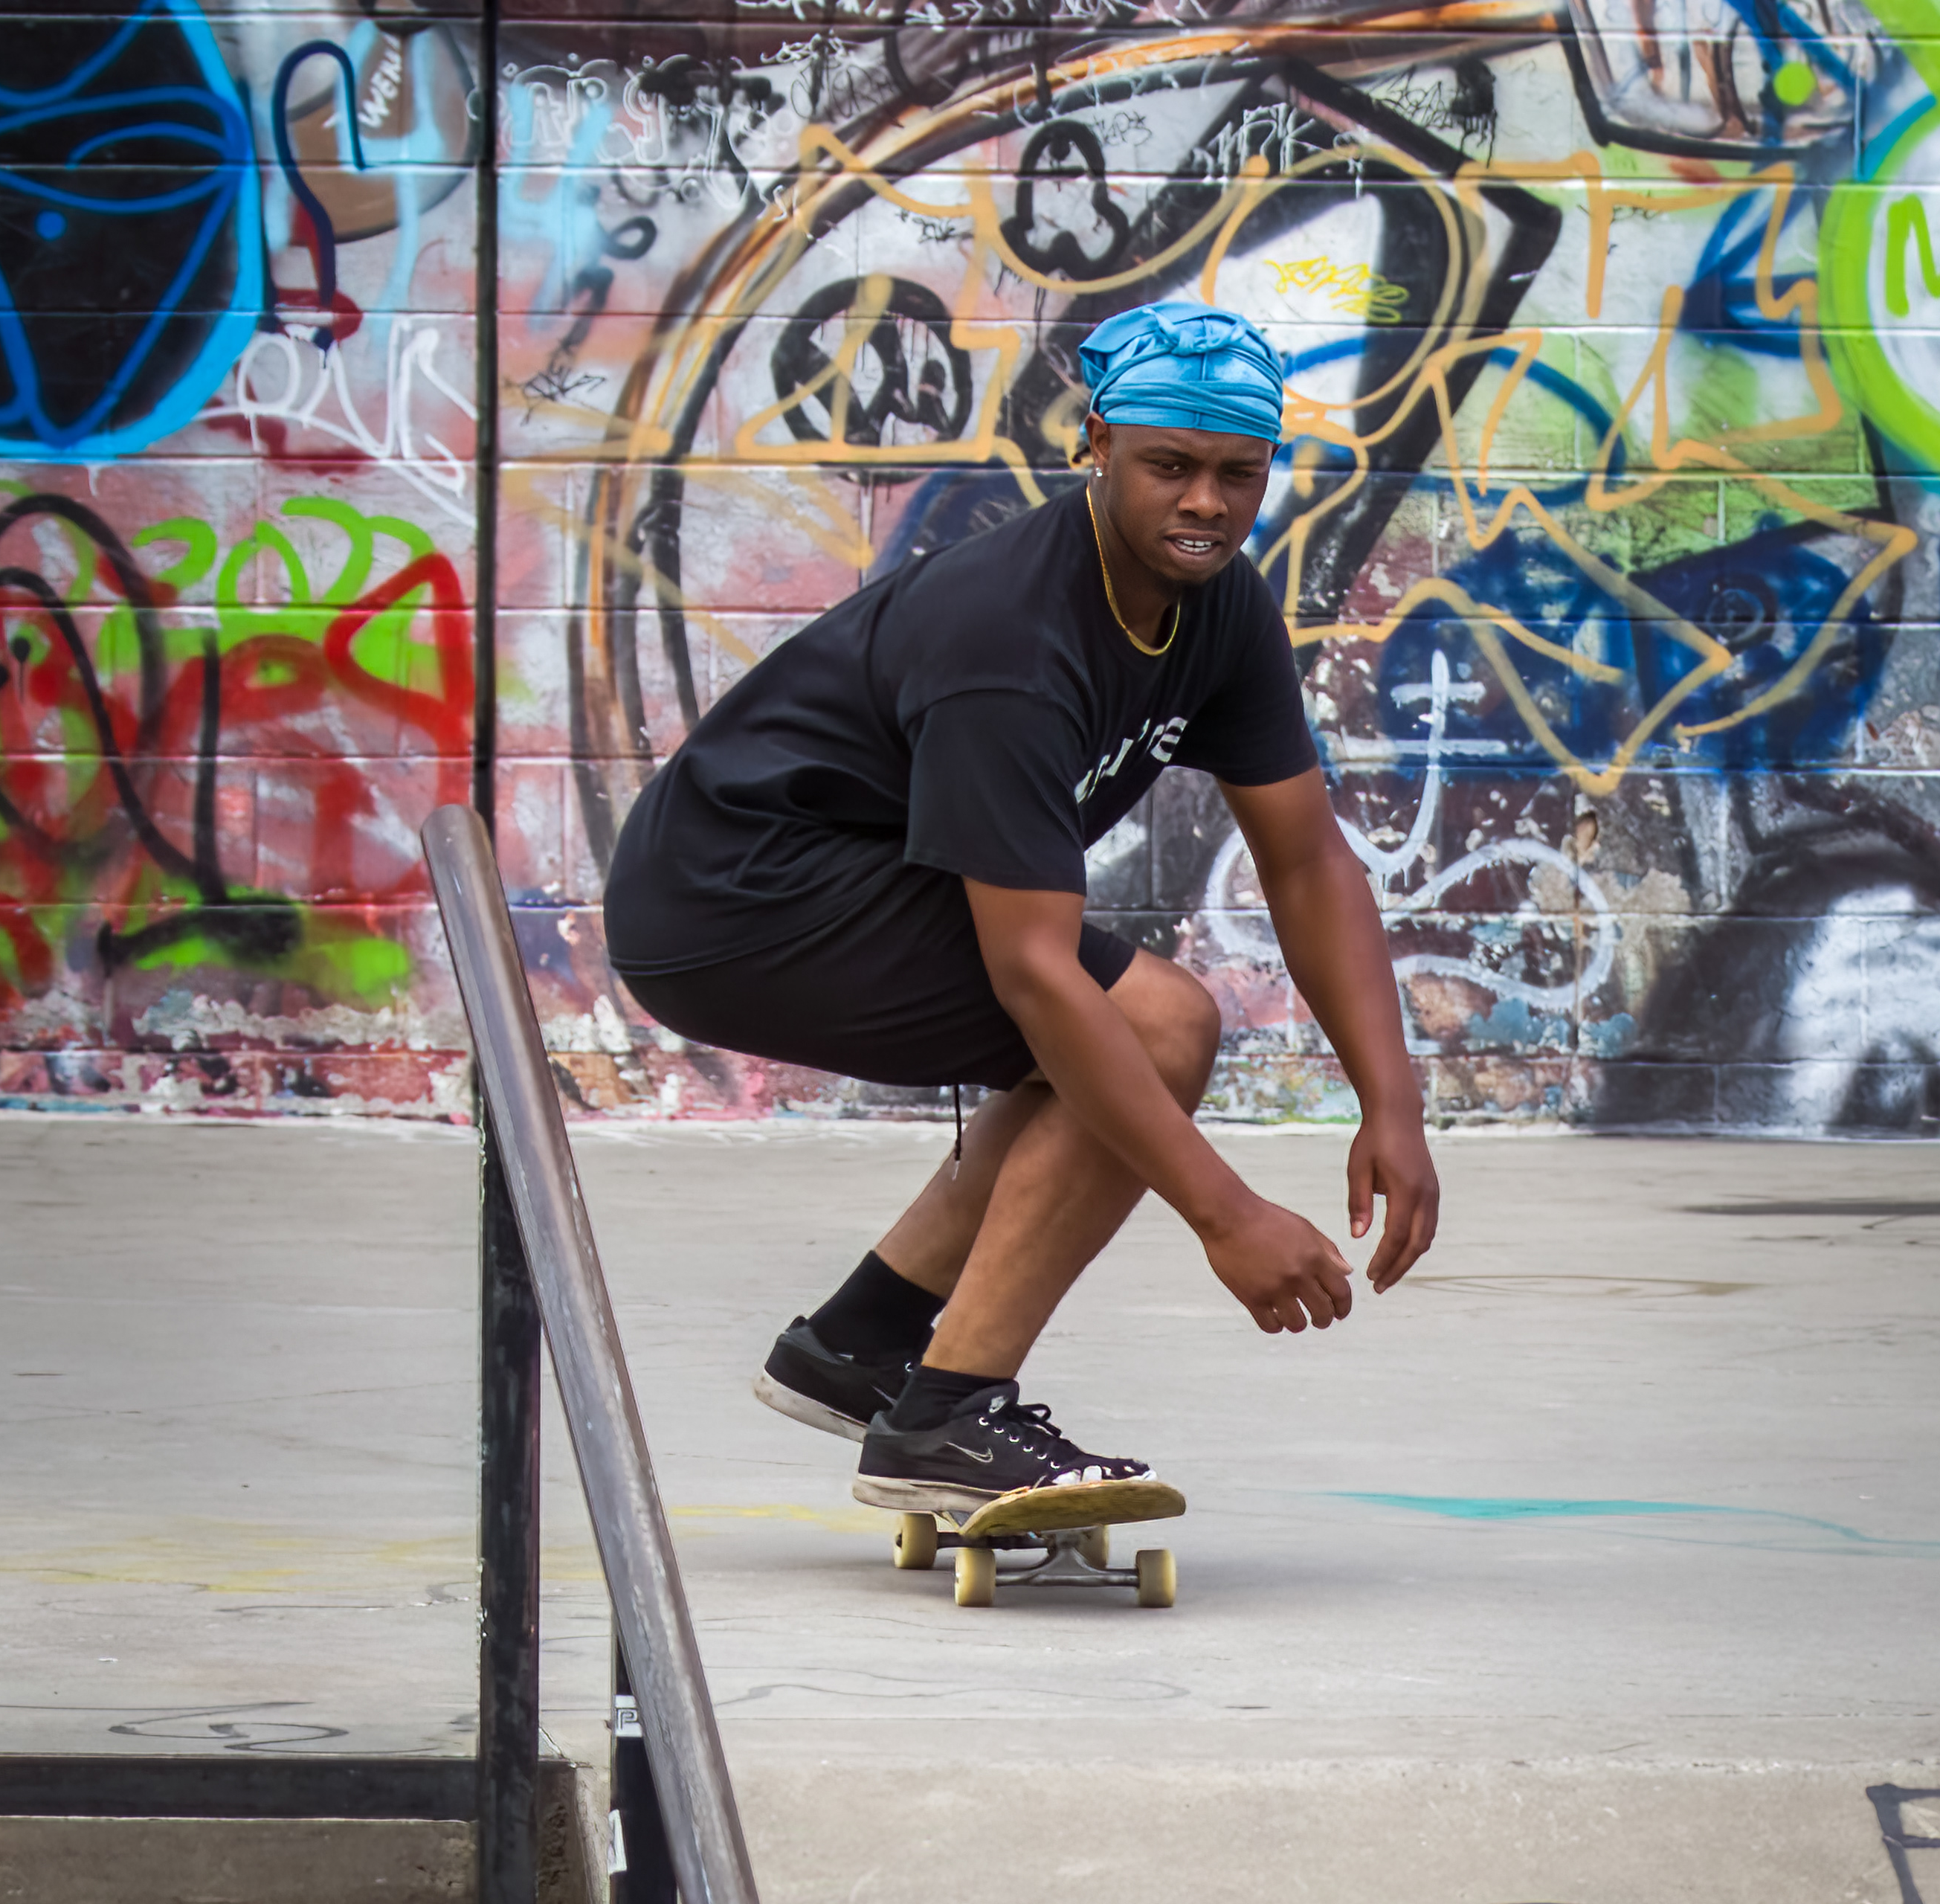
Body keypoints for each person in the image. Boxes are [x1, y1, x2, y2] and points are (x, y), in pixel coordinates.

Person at [601, 300, 1440, 1517]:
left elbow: (1307, 862)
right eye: (1169, 466)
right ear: (1093, 447)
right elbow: (1036, 975)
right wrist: (1227, 1215)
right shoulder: (1012, 633)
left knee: (1116, 1033)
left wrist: (1394, 1104)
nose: (1204, 502)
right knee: (1150, 1024)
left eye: (1236, 475)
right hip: (736, 893)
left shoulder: (1222, 610)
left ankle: (862, 1347)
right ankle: (946, 1419)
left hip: (820, 879)